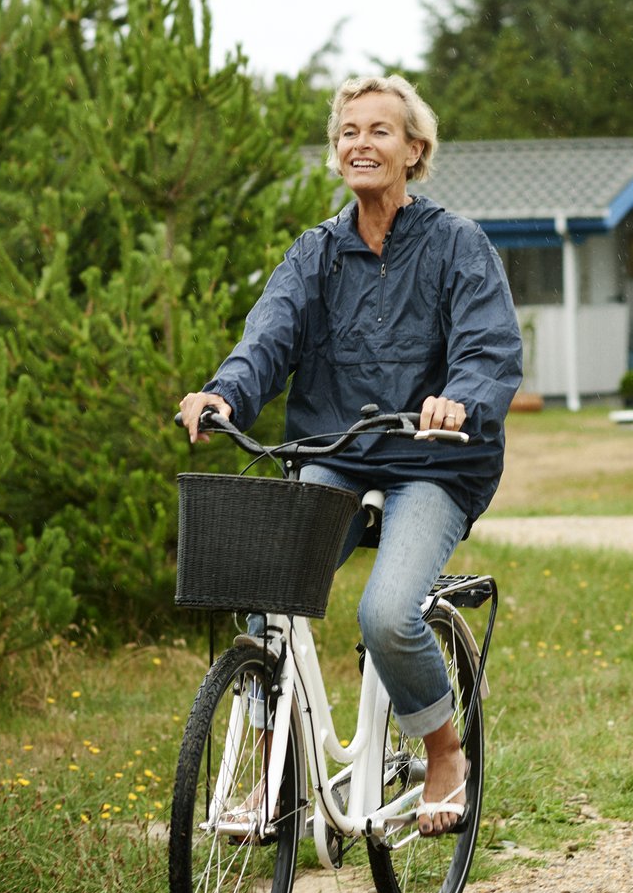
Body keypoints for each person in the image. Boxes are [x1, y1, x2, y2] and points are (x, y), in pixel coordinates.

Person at [178, 73, 522, 837]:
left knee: (388, 613)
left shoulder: (457, 244)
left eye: (379, 130)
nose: (360, 143)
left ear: (414, 149)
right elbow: (268, 335)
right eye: (348, 132)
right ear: (336, 152)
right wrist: (224, 392)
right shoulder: (317, 252)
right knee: (265, 593)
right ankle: (274, 772)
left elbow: (490, 348)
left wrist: (459, 395)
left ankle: (442, 751)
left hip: (434, 459)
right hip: (335, 450)